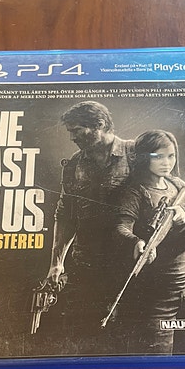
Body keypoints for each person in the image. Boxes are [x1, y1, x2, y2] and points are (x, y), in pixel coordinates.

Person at [112, 129, 185, 355]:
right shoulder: (135, 192)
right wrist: (135, 241)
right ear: (143, 157)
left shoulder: (175, 183)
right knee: (158, 357)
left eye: (171, 156)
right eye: (158, 156)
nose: (166, 163)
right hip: (158, 292)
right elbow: (121, 227)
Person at [45, 101, 134, 351]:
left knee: (127, 340)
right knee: (84, 338)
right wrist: (56, 263)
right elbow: (65, 214)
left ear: (99, 125)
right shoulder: (74, 164)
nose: (72, 138)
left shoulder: (134, 153)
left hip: (130, 266)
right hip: (86, 267)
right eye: (70, 132)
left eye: (77, 130)